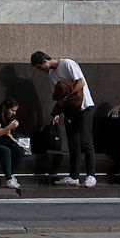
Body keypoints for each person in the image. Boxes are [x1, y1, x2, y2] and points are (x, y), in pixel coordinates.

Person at [30, 50, 95, 186]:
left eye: (39, 67)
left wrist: (68, 96)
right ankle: (74, 176)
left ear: (44, 61)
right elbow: (59, 97)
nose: (40, 70)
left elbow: (81, 82)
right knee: (73, 144)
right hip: (70, 110)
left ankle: (91, 175)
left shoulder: (67, 64)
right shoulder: (52, 75)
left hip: (84, 107)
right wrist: (56, 112)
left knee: (85, 141)